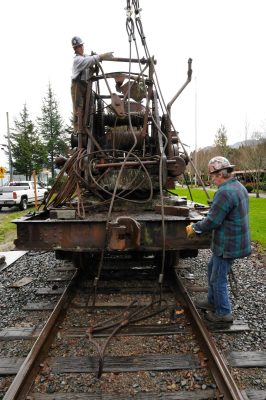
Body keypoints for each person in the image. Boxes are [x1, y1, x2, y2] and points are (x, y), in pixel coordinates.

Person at [186, 156, 251, 323]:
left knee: (218, 278)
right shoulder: (238, 186)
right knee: (211, 269)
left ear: (221, 174)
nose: (212, 179)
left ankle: (223, 313)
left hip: (227, 244)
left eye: (213, 175)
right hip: (235, 240)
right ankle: (212, 301)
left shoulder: (224, 192)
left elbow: (213, 221)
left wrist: (195, 228)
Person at [71, 36, 114, 134]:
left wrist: (93, 68)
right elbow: (88, 61)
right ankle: (79, 130)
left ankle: (87, 127)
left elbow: (89, 60)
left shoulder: (84, 57)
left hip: (86, 84)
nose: (81, 48)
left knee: (89, 106)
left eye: (81, 46)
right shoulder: (77, 60)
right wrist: (101, 56)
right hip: (77, 85)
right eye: (79, 46)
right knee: (79, 107)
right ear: (75, 49)